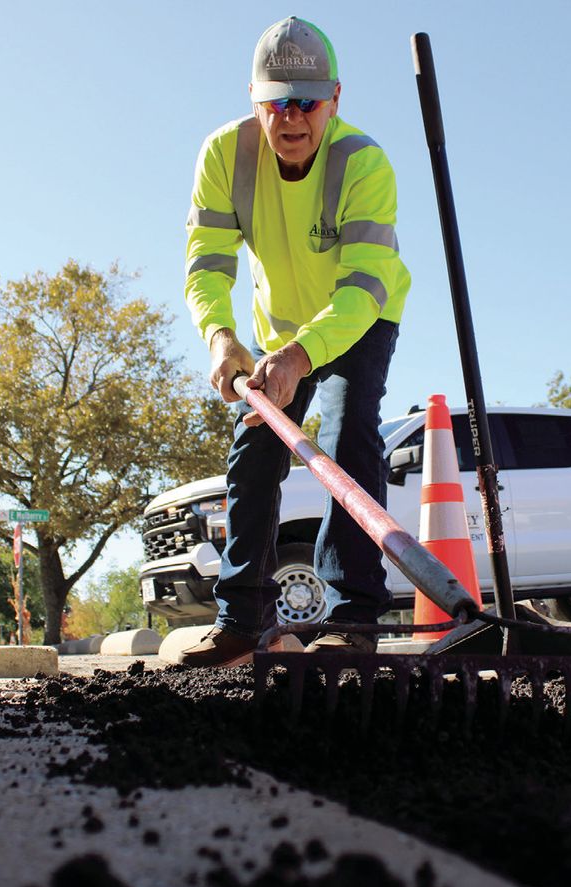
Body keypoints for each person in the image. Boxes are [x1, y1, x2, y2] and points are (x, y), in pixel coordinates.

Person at [179, 16, 411, 668]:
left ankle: (352, 617)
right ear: (254, 100)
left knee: (347, 432)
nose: (292, 118)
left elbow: (364, 285)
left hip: (358, 319)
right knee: (254, 450)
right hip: (276, 331)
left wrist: (304, 355)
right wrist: (221, 337)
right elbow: (207, 266)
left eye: (307, 102)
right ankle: (243, 620)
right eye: (277, 102)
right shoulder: (224, 155)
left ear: (335, 98)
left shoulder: (363, 162)